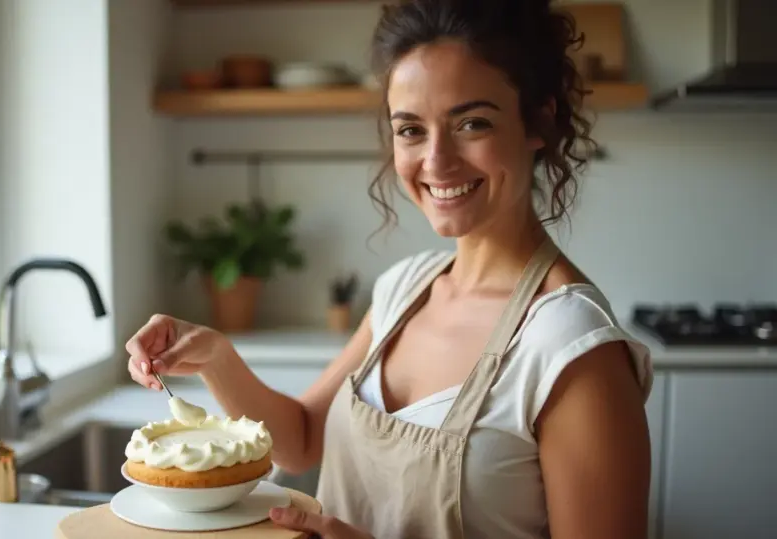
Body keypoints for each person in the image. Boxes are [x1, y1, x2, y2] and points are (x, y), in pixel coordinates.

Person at [126, 0, 654, 537]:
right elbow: (303, 437)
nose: (436, 161)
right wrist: (217, 356)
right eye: (410, 130)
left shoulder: (571, 346)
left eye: (472, 123)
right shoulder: (406, 287)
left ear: (538, 121)